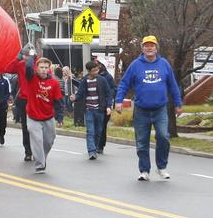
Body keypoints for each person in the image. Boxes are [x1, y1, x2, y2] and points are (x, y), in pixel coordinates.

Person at [114, 35, 183, 181]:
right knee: (142, 141)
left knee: (163, 136)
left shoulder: (164, 64)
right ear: (142, 49)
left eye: (152, 45)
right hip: (141, 110)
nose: (149, 48)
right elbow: (124, 83)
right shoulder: (135, 65)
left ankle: (162, 167)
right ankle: (144, 170)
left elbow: (173, 85)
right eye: (146, 45)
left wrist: (178, 104)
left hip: (160, 109)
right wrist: (118, 101)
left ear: (156, 48)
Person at [20, 55, 63, 174]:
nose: (44, 70)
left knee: (49, 141)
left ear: (49, 69)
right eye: (41, 67)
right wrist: (32, 56)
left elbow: (58, 101)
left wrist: (60, 117)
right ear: (36, 68)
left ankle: (42, 157)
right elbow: (28, 68)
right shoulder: (31, 78)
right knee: (37, 140)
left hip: (48, 116)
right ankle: (40, 164)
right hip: (33, 116)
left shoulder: (54, 83)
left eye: (46, 67)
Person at [70, 61, 113, 159]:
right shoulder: (85, 81)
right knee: (90, 131)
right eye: (94, 71)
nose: (96, 72)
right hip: (89, 110)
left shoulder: (102, 80)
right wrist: (75, 98)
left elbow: (108, 94)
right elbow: (80, 94)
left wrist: (108, 106)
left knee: (98, 131)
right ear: (89, 71)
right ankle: (92, 151)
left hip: (100, 110)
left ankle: (96, 146)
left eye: (97, 70)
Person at [6, 48, 36, 162]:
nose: (26, 57)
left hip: (36, 99)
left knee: (36, 127)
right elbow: (8, 69)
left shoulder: (37, 64)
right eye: (25, 55)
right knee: (26, 127)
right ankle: (28, 152)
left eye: (29, 55)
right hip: (23, 99)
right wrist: (17, 58)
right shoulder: (20, 64)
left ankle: (36, 149)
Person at [95, 61, 116, 154]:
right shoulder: (92, 76)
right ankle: (94, 144)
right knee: (94, 127)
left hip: (104, 106)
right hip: (93, 105)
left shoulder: (108, 77)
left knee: (102, 126)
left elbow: (113, 89)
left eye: (99, 64)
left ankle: (100, 145)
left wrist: (108, 99)